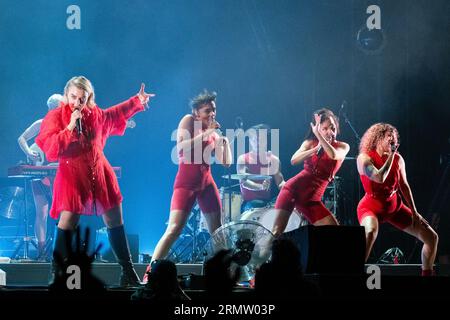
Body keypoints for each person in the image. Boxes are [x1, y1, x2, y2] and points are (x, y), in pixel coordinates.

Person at [36, 76, 154, 287]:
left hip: (100, 173)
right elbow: (52, 149)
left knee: (115, 220)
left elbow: (115, 113)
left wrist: (136, 101)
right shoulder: (56, 117)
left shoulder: (96, 115)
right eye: (73, 97)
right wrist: (70, 126)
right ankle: (56, 272)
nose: (77, 102)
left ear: (88, 98)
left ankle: (127, 272)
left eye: (82, 98)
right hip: (72, 175)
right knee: (68, 221)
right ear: (66, 95)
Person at [144, 90, 232, 282]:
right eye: (207, 110)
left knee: (218, 231)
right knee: (174, 228)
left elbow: (226, 162)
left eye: (214, 110)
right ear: (196, 112)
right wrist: (208, 133)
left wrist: (224, 141)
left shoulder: (213, 132)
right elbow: (181, 147)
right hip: (186, 182)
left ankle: (226, 274)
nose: (212, 114)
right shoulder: (188, 121)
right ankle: (149, 273)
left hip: (206, 183)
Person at [356, 123, 438, 275]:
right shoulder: (364, 158)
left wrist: (414, 212)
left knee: (432, 238)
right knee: (370, 232)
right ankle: (354, 273)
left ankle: (427, 275)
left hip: (394, 207)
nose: (393, 141)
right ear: (378, 138)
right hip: (370, 207)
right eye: (389, 137)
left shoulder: (398, 159)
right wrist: (392, 156)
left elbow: (404, 186)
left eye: (395, 138)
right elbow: (379, 177)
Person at [272, 108, 349, 236]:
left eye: (332, 128)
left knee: (335, 232)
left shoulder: (343, 146)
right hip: (293, 190)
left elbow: (333, 155)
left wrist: (320, 137)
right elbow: (293, 160)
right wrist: (315, 148)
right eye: (324, 129)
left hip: (312, 200)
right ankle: (258, 256)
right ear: (318, 129)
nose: (330, 132)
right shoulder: (310, 143)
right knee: (276, 232)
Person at [17, 93, 63, 260]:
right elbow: (21, 138)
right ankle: (42, 252)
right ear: (52, 108)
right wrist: (29, 151)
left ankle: (61, 251)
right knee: (41, 213)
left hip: (59, 175)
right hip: (40, 174)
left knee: (64, 213)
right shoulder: (41, 124)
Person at [236, 124, 285, 212]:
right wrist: (261, 186)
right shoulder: (243, 159)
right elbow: (244, 182)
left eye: (261, 140)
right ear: (250, 141)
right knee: (256, 203)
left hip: (267, 202)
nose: (257, 143)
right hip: (249, 203)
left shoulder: (273, 159)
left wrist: (292, 188)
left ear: (266, 140)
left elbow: (280, 183)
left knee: (283, 204)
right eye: (254, 140)